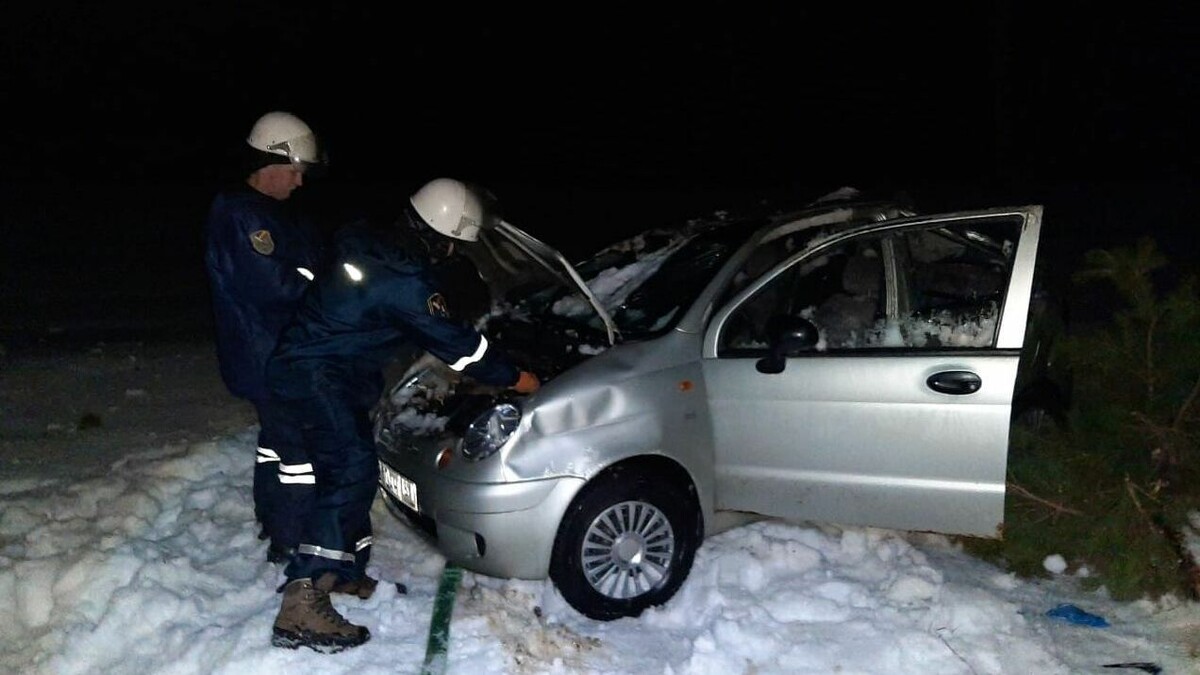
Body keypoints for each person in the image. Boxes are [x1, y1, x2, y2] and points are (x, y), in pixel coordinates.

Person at [265, 177, 540, 653]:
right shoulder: (403, 277)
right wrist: (516, 377)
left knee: (346, 467)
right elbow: (459, 348)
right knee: (351, 470)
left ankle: (338, 572)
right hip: (317, 375)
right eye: (453, 244)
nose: (453, 254)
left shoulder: (372, 242)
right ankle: (302, 602)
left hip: (321, 368)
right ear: (437, 234)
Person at [203, 111, 327, 565]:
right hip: (267, 357)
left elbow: (308, 263)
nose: (298, 182)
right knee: (299, 452)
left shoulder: (274, 213)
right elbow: (274, 287)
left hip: (275, 353)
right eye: (293, 171)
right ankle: (294, 543)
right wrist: (327, 287)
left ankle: (274, 520)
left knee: (278, 444)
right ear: (267, 164)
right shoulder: (242, 216)